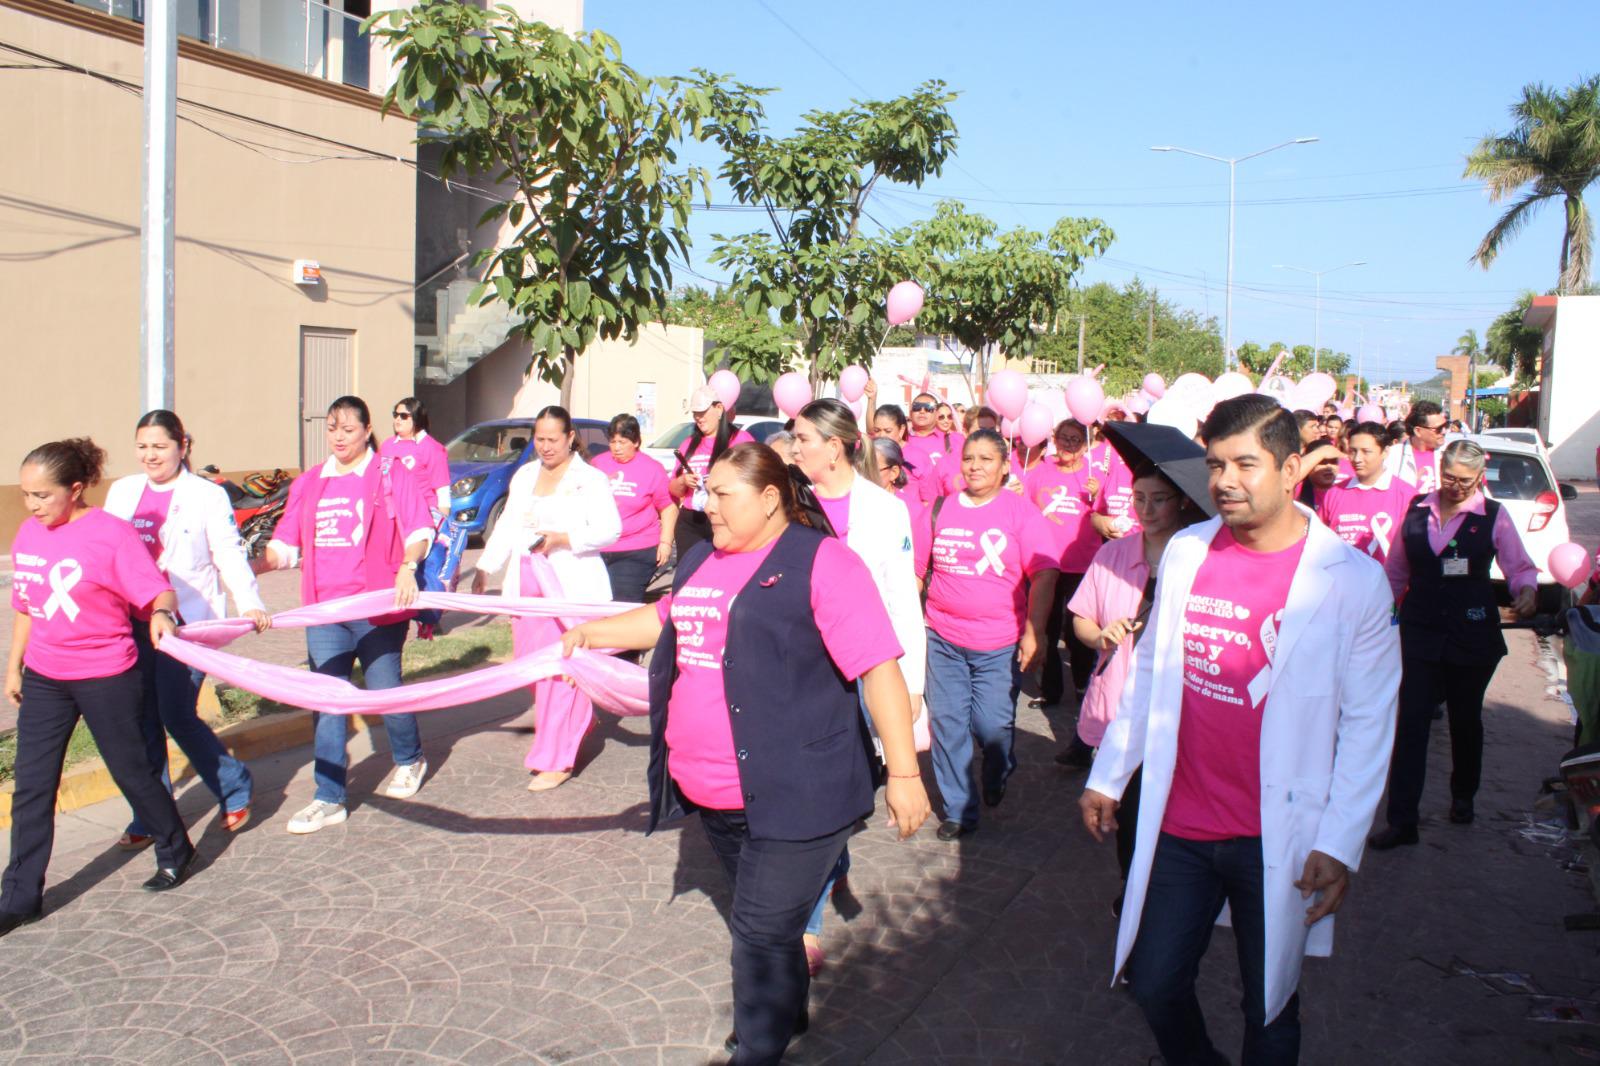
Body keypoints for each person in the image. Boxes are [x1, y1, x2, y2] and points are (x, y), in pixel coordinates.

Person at [559, 442, 930, 1065]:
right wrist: (590, 635)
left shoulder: (825, 564)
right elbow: (670, 617)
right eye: (706, 493)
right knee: (771, 927)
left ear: (768, 498)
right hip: (718, 797)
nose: (709, 506)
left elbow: (878, 669)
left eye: (722, 495)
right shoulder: (704, 557)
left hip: (800, 793)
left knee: (757, 933)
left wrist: (905, 772)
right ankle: (785, 1011)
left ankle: (757, 1048)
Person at [1079, 393, 1401, 1066]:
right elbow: (1151, 680)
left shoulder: (1352, 582)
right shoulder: (1189, 556)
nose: (1225, 480)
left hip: (1278, 839)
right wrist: (1111, 773)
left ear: (1289, 471)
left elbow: (1371, 724)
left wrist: (1341, 842)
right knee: (1156, 983)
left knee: (1271, 1005)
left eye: (1245, 464)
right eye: (1216, 463)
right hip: (1183, 826)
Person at [4, 438, 198, 934]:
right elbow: (26, 607)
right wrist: (14, 667)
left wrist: (159, 613)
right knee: (32, 787)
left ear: (74, 489)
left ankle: (175, 847)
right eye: (27, 495)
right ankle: (20, 896)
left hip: (106, 673)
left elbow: (158, 588)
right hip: (47, 677)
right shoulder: (29, 534)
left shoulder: (110, 534)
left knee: (132, 773)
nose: (33, 505)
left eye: (43, 495)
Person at [790, 399, 926, 974]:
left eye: (802, 439)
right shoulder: (788, 504)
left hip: (868, 668)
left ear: (836, 444)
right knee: (810, 793)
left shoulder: (886, 510)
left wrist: (911, 682)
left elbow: (902, 597)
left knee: (852, 787)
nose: (794, 449)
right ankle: (808, 921)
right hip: (804, 671)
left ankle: (835, 852)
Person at [260, 396, 435, 834]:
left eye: (348, 429)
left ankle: (410, 758)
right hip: (325, 612)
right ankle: (329, 796)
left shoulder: (390, 473)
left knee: (383, 690)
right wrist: (257, 564)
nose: (339, 436)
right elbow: (285, 545)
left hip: (376, 609)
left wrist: (408, 566)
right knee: (328, 702)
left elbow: (419, 529)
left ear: (366, 429)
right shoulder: (311, 482)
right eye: (332, 428)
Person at [104, 410, 269, 846]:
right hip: (130, 624)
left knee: (175, 712)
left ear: (183, 446)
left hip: (186, 624)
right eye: (142, 446)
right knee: (140, 720)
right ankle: (149, 813)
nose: (150, 455)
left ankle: (233, 786)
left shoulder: (206, 496)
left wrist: (249, 604)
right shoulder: (122, 492)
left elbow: (229, 554)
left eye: (159, 446)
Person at [1370, 439, 1539, 848]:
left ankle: (1463, 796)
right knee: (1411, 725)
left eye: (1466, 480)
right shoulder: (1416, 511)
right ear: (1439, 471)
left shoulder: (1493, 517)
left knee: (1465, 720)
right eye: (1449, 477)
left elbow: (1520, 566)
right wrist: (1378, 616)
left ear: (1479, 478)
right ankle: (1402, 821)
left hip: (1471, 634)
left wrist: (1527, 590)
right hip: (1420, 632)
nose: (1456, 486)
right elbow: (1396, 571)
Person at [1068, 462, 1205, 899]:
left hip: (1179, 714)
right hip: (1118, 707)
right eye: (1138, 497)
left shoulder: (1201, 560)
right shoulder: (1112, 553)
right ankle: (1134, 893)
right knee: (1127, 813)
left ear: (1181, 500)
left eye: (1158, 499)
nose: (1145, 509)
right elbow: (1082, 620)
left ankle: (1160, 892)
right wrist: (1100, 635)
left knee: (1168, 816)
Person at [920, 429, 1059, 840]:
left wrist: (1035, 632)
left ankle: (999, 764)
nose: (975, 466)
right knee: (947, 723)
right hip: (942, 638)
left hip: (998, 643)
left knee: (992, 727)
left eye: (985, 459)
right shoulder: (939, 509)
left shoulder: (1021, 513)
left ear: (1004, 466)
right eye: (969, 458)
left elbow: (1045, 573)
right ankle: (960, 809)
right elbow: (916, 571)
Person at [474, 406, 622, 791]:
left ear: (570, 437)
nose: (545, 447)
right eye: (539, 439)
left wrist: (563, 539)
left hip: (570, 587)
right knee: (534, 670)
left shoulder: (589, 479)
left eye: (552, 439)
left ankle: (555, 759)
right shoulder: (524, 475)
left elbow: (610, 530)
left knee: (562, 673)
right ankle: (576, 722)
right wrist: (486, 566)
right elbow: (507, 524)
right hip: (528, 586)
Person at [1022, 419, 1100, 712]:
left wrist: (1098, 495)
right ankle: (1050, 690)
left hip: (1082, 564)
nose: (1069, 445)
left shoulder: (1094, 476)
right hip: (1044, 564)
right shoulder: (1040, 472)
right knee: (1048, 629)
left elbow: (1104, 516)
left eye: (1076, 440)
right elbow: (1026, 512)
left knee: (1077, 631)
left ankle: (1082, 686)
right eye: (1064, 438)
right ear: (1054, 439)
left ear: (1085, 444)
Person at [591, 414, 677, 605]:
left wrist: (665, 542)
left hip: (636, 549)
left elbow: (669, 508)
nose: (617, 447)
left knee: (621, 605)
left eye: (622, 442)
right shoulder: (597, 464)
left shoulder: (652, 468)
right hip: (599, 546)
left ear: (636, 441)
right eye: (613, 441)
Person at [669, 386, 754, 557]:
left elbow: (753, 480)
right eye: (695, 413)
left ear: (719, 409)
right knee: (688, 575)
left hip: (726, 517)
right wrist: (683, 481)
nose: (698, 418)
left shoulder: (740, 439)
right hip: (691, 520)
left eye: (702, 412)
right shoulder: (688, 443)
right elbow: (673, 490)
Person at [1316, 421, 1414, 562]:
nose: (1357, 459)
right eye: (1353, 451)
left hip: (1388, 582)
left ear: (1385, 452)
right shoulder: (1334, 493)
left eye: (1366, 452)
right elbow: (1320, 542)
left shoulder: (1407, 495)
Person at [379, 396, 451, 515]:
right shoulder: (387, 445)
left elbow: (442, 490)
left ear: (417, 418)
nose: (398, 419)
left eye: (403, 416)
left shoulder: (432, 448)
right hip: (392, 514)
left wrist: (442, 523)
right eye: (395, 415)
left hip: (422, 516)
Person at [902, 391, 963, 493]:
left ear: (936, 414)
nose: (922, 411)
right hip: (912, 506)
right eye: (917, 407)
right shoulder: (901, 441)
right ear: (910, 413)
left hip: (946, 505)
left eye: (928, 408)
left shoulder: (956, 440)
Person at [1384, 399, 1447, 494]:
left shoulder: (1448, 453)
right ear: (1418, 431)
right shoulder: (1392, 456)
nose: (1444, 431)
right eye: (1439, 429)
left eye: (1446, 425)